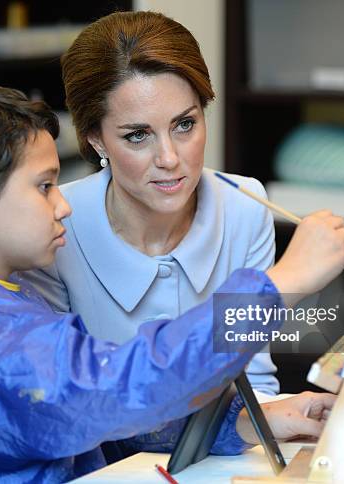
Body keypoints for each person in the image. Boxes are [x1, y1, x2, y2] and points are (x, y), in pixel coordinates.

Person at [0, 82, 344, 483]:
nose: (63, 205)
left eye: (185, 124)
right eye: (44, 186)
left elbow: (83, 426)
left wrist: (246, 423)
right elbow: (118, 386)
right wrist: (282, 281)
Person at [21, 10, 283, 395]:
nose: (169, 158)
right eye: (138, 135)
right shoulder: (56, 225)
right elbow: (57, 395)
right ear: (96, 140)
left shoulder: (246, 208)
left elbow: (253, 381)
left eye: (185, 125)